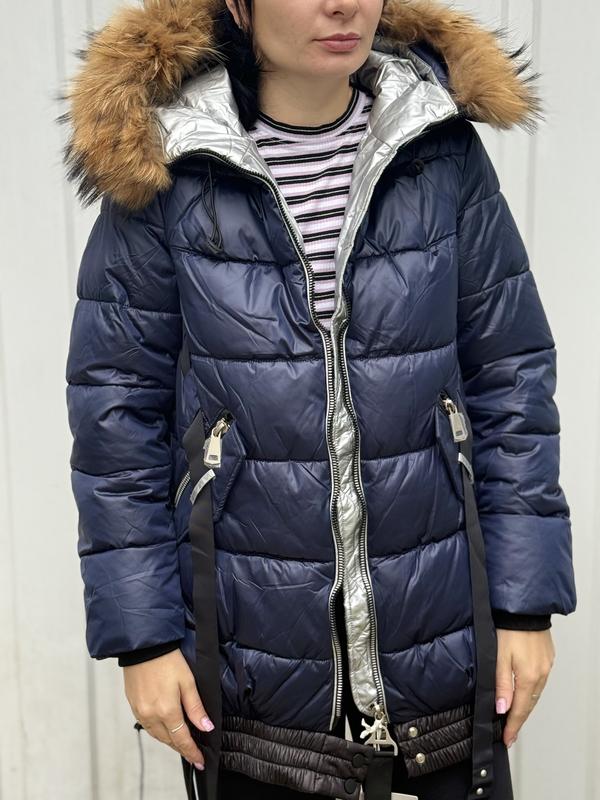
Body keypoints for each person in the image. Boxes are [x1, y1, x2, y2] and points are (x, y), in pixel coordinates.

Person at [58, 0, 577, 798]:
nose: (342, 5)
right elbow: (114, 414)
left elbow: (511, 375)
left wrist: (525, 606)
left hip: (444, 646)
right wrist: (144, 640)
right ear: (239, 6)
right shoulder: (167, 165)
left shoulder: (437, 147)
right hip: (252, 671)